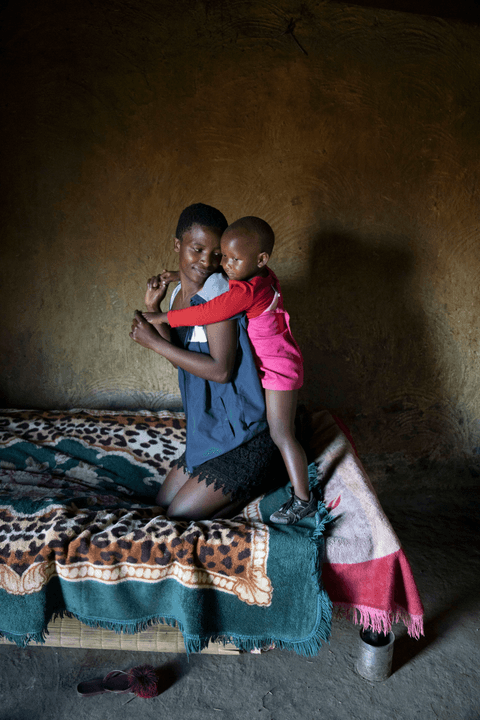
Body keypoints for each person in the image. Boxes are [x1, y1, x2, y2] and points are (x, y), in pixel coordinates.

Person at [143, 216, 316, 525]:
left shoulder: (227, 294)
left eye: (219, 255)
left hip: (254, 408)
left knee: (179, 516)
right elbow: (180, 360)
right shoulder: (185, 293)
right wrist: (159, 308)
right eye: (199, 250)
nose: (212, 263)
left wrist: (159, 324)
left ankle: (299, 496)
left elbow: (220, 370)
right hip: (212, 426)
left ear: (259, 260)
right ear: (177, 246)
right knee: (163, 507)